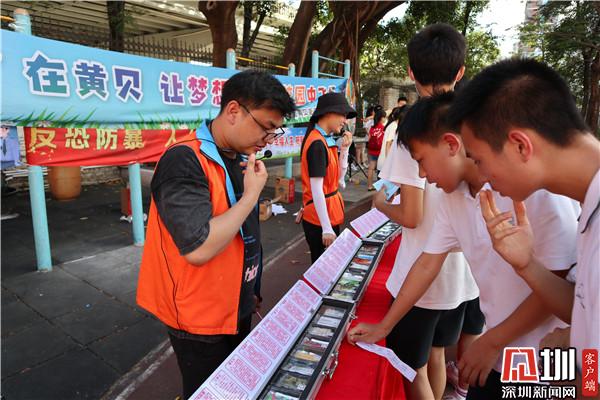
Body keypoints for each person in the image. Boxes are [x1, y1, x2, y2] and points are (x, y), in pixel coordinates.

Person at [348, 92, 578, 400]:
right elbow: (427, 263)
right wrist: (385, 326)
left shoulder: (533, 187)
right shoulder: (453, 197)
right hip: (497, 352)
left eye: (421, 161)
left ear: (451, 144)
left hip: (547, 356)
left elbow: (563, 283)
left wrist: (493, 340)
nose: (422, 175)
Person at [136, 70, 295, 399]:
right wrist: (251, 197)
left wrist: (251, 288)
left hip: (236, 303)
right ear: (234, 110)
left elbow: (240, 231)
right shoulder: (184, 159)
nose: (267, 139)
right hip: (199, 317)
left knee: (238, 388)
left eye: (274, 132)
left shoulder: (237, 158)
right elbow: (200, 248)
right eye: (265, 127)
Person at [447, 58, 600, 394]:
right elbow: (580, 308)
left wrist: (569, 375)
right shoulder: (590, 208)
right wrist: (527, 265)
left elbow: (593, 382)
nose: (482, 176)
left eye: (480, 160)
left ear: (520, 145)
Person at [371, 23, 482, 400]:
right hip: (461, 279)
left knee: (412, 366)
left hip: (423, 282)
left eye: (423, 163)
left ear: (411, 72)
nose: (424, 173)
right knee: (435, 353)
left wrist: (381, 204)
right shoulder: (475, 124)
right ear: (460, 72)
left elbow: (413, 216)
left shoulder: (414, 131)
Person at [300, 92, 355, 263]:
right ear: (328, 113)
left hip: (328, 212)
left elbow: (339, 180)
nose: (345, 121)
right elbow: (316, 188)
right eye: (343, 115)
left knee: (328, 265)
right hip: (320, 217)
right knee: (323, 267)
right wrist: (326, 228)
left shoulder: (324, 140)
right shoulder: (317, 143)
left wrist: (345, 149)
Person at [376, 106, 405, 172]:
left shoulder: (393, 125)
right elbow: (388, 144)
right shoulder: (394, 126)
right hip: (385, 165)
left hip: (384, 164)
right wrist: (389, 162)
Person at [366, 108, 386, 191]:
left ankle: (369, 186)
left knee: (371, 168)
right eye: (384, 117)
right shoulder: (383, 128)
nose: (385, 119)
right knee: (381, 169)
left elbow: (369, 139)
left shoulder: (372, 127)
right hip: (380, 151)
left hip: (372, 150)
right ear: (381, 118)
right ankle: (381, 187)